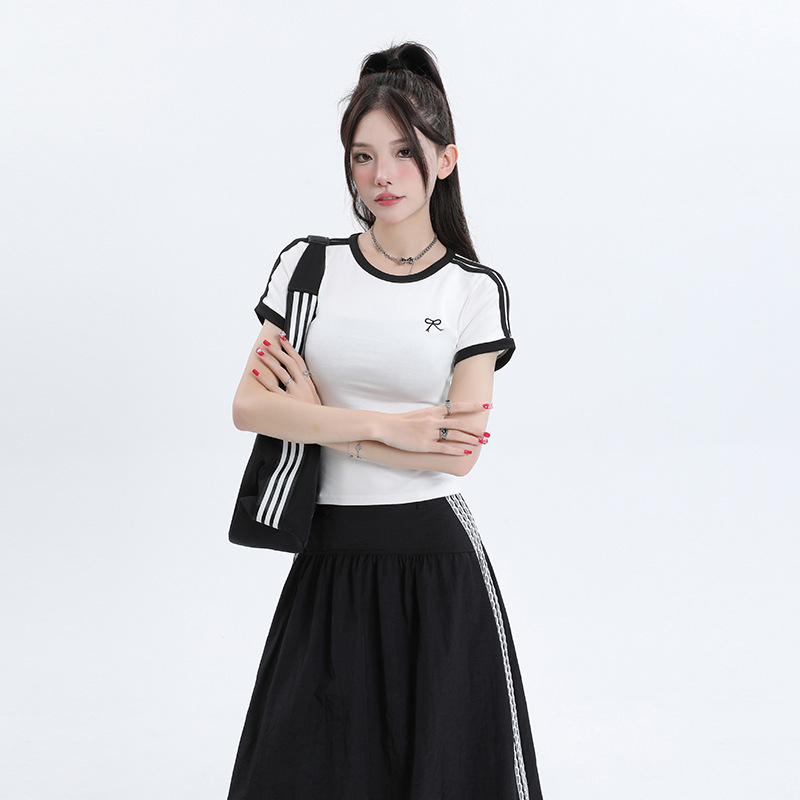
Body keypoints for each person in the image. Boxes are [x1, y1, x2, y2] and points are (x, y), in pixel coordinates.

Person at [227, 42, 544, 800]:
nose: (382, 175)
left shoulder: (473, 291)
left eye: (405, 152)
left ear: (445, 160)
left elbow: (458, 453)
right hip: (327, 554)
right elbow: (249, 406)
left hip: (435, 565)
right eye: (363, 156)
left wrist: (320, 418)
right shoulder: (307, 267)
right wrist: (391, 429)